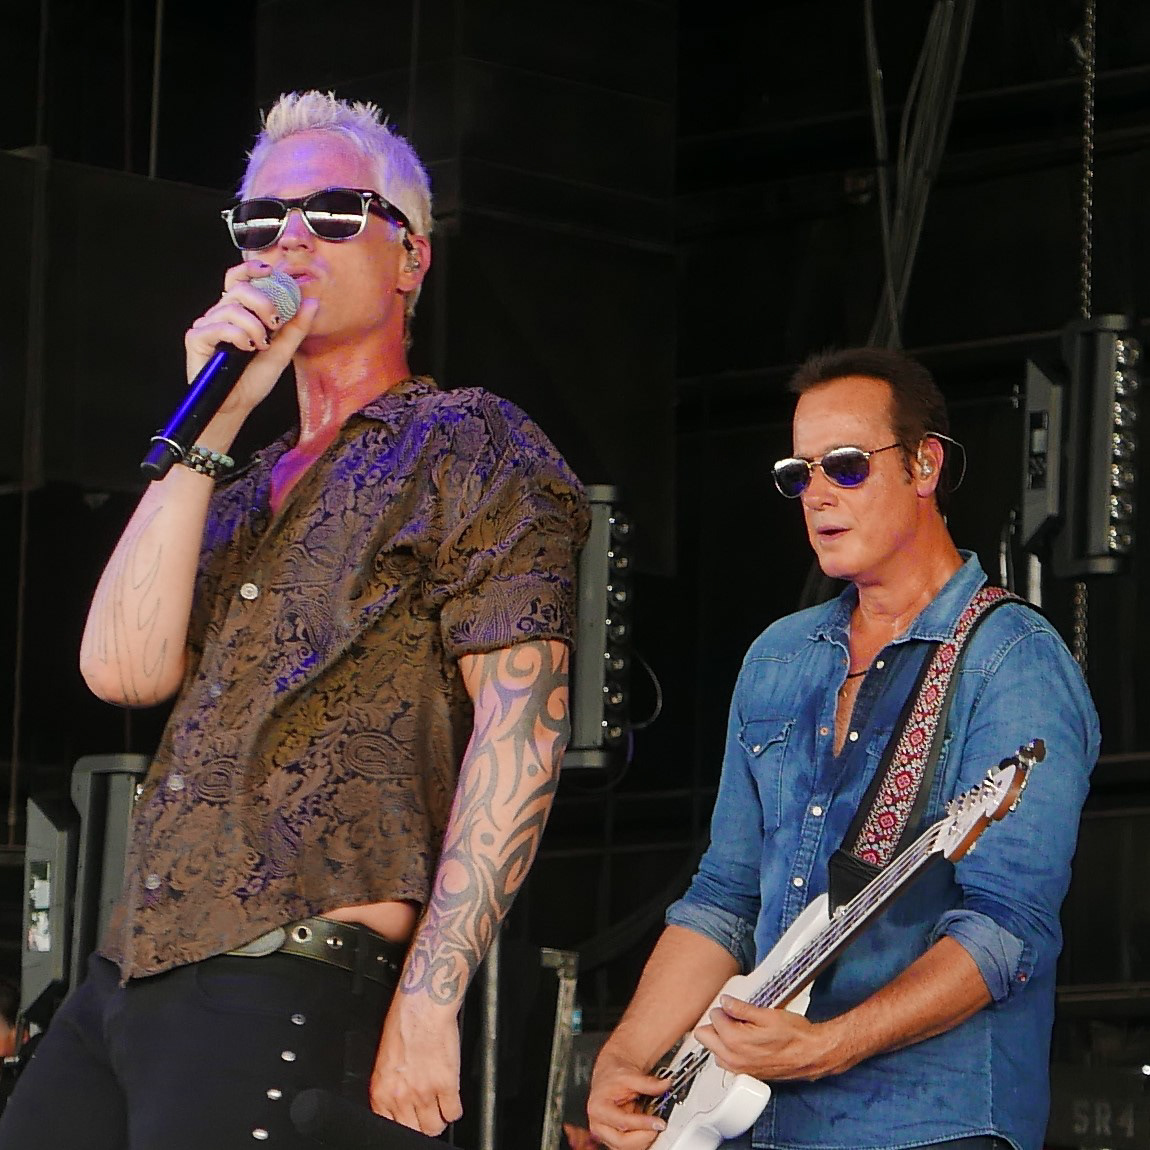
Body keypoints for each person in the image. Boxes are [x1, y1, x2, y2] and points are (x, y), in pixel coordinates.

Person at [0, 90, 588, 1148]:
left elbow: (520, 732)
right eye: (264, 220)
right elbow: (121, 672)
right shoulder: (232, 487)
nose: (292, 239)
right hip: (126, 977)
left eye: (333, 211)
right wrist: (214, 420)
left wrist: (432, 997)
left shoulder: (466, 442)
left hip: (292, 969)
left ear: (409, 256)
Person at [587, 347, 1098, 1150]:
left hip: (928, 1126)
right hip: (757, 1124)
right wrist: (625, 1056)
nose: (818, 493)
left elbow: (1006, 930)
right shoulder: (778, 658)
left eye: (848, 466)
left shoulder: (1012, 659)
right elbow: (724, 899)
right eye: (799, 474)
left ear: (925, 464)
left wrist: (829, 1046)